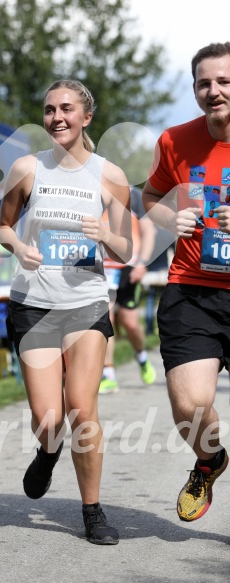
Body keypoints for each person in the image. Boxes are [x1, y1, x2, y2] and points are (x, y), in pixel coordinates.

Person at [0, 79, 132, 545]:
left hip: (85, 304)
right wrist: (18, 247)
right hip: (34, 303)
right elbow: (3, 226)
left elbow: (127, 248)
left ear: (86, 117)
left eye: (67, 109)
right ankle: (47, 452)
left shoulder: (109, 175)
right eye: (50, 109)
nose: (57, 117)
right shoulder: (27, 168)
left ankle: (93, 510)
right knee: (49, 419)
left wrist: (105, 235)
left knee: (82, 408)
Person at [142, 42, 230, 523]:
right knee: (190, 407)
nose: (213, 91)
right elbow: (151, 195)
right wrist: (167, 216)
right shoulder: (175, 140)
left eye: (224, 81)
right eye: (204, 82)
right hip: (193, 289)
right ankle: (210, 460)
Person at [99, 186, 157, 394]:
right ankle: (109, 374)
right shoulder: (89, 192)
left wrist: (142, 263)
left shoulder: (133, 195)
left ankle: (141, 357)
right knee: (105, 319)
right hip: (102, 268)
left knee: (130, 323)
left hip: (128, 267)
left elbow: (148, 231)